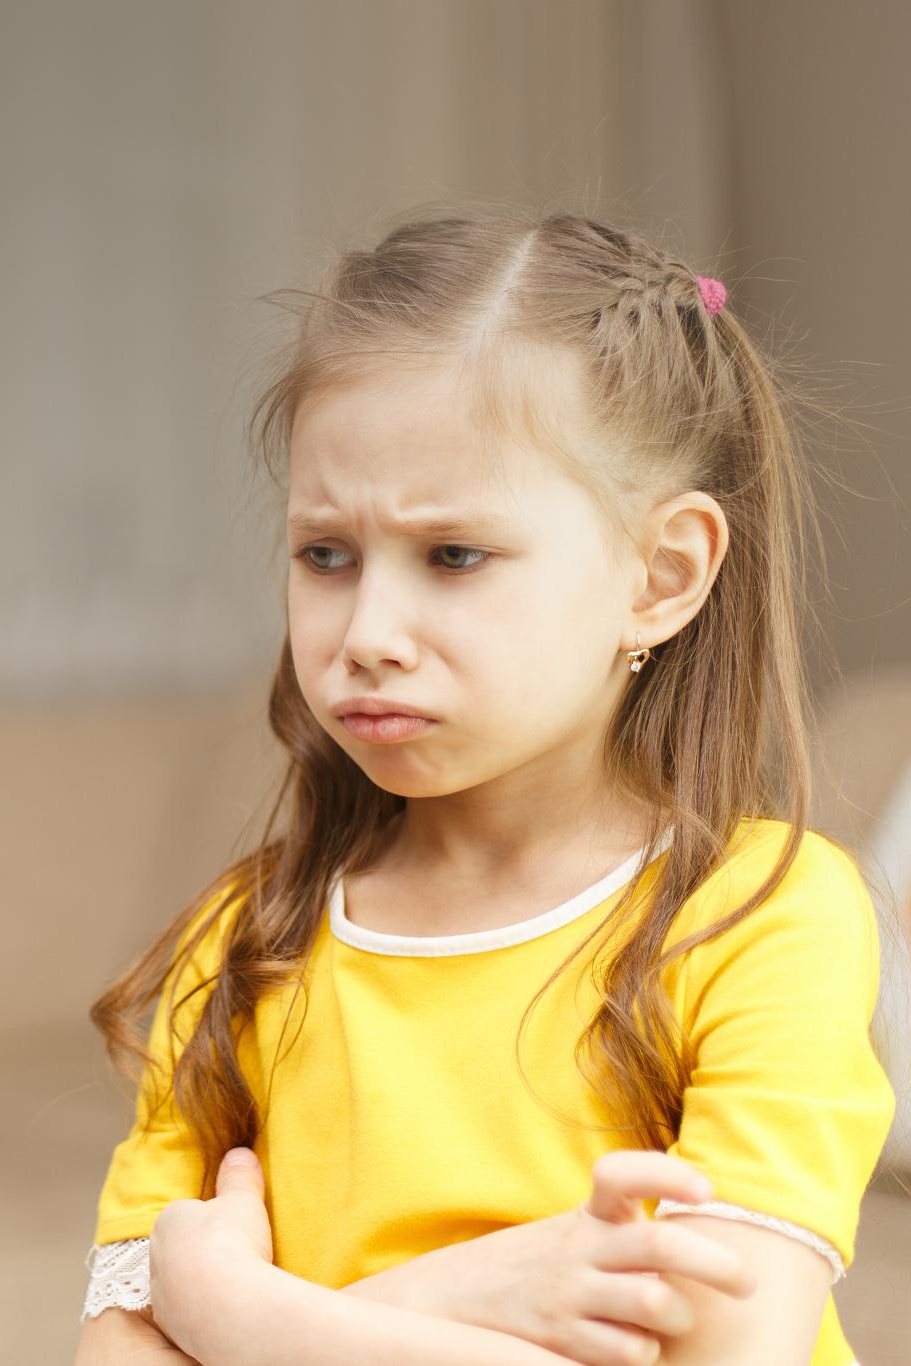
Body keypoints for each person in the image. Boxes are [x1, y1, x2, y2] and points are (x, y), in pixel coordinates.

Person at [74, 209, 897, 1366]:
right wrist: (478, 1290)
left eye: (452, 556)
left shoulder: (762, 916)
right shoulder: (247, 940)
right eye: (325, 553)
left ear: (659, 579)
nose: (366, 632)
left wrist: (238, 1316)